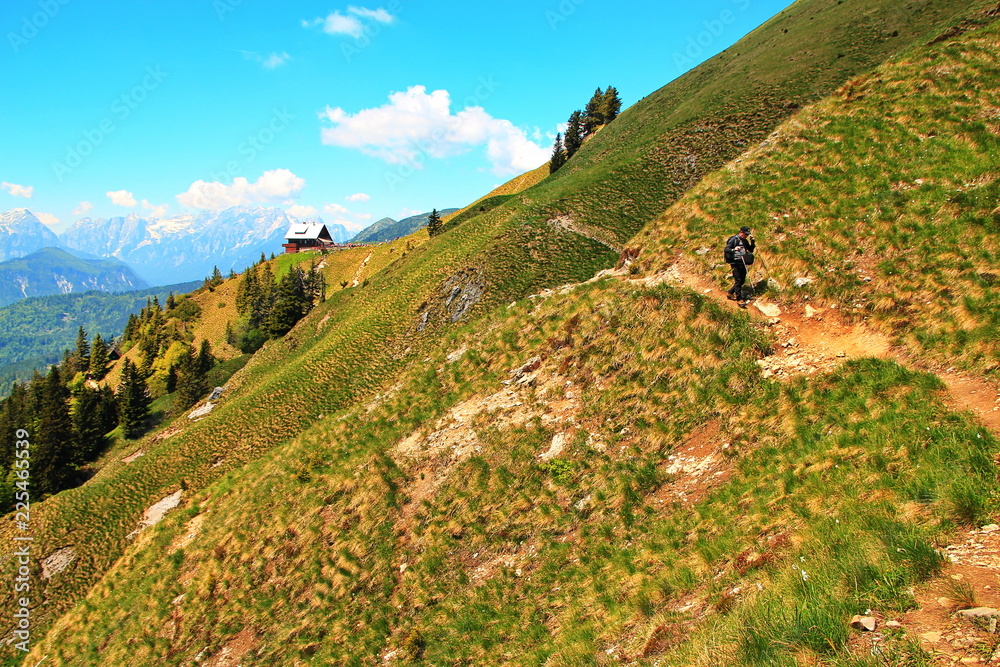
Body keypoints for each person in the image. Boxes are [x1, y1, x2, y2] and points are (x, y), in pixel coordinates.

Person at [724, 226, 756, 301]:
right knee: (738, 280)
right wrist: (734, 249)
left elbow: (750, 250)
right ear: (741, 232)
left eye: (747, 234)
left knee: (742, 280)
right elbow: (726, 249)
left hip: (742, 262)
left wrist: (752, 242)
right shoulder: (734, 240)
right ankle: (739, 298)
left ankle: (731, 292)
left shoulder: (745, 241)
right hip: (735, 262)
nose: (746, 236)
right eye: (745, 234)